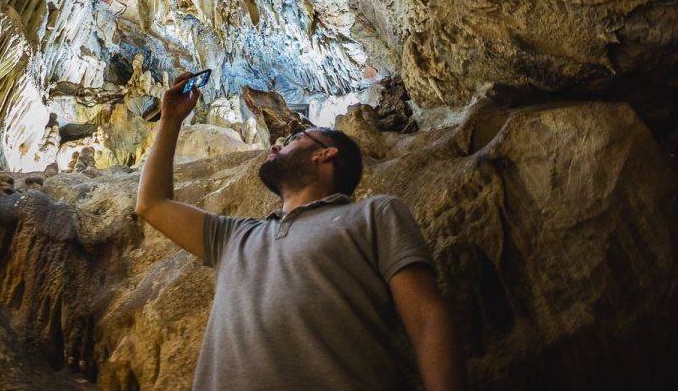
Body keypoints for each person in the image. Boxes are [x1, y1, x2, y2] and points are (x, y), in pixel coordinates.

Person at [134, 72, 467, 391]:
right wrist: (171, 120)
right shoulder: (234, 236)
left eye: (293, 139)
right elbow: (151, 203)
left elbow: (427, 321)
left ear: (325, 153)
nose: (277, 145)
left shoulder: (373, 214)